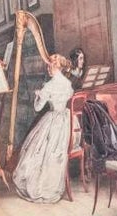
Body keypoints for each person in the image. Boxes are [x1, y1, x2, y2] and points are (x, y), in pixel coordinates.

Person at [12, 54, 77, 204]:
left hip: (54, 121)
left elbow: (37, 107)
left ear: (55, 66)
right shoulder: (67, 83)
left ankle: (43, 186)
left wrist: (37, 95)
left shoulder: (49, 85)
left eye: (49, 66)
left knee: (36, 150)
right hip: (67, 122)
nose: (47, 69)